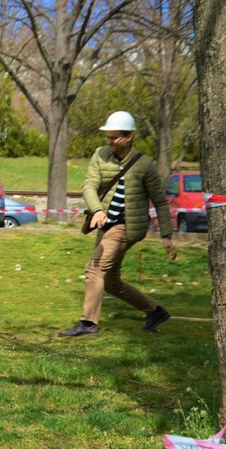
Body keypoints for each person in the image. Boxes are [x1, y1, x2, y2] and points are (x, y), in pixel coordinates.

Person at [59, 111, 177, 337]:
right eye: (108, 137)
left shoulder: (145, 165)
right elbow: (89, 186)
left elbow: (161, 202)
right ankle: (155, 311)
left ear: (129, 136)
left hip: (127, 227)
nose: (110, 142)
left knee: (94, 268)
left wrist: (166, 236)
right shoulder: (100, 155)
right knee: (110, 281)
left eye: (115, 138)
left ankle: (88, 324)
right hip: (104, 224)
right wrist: (97, 210)